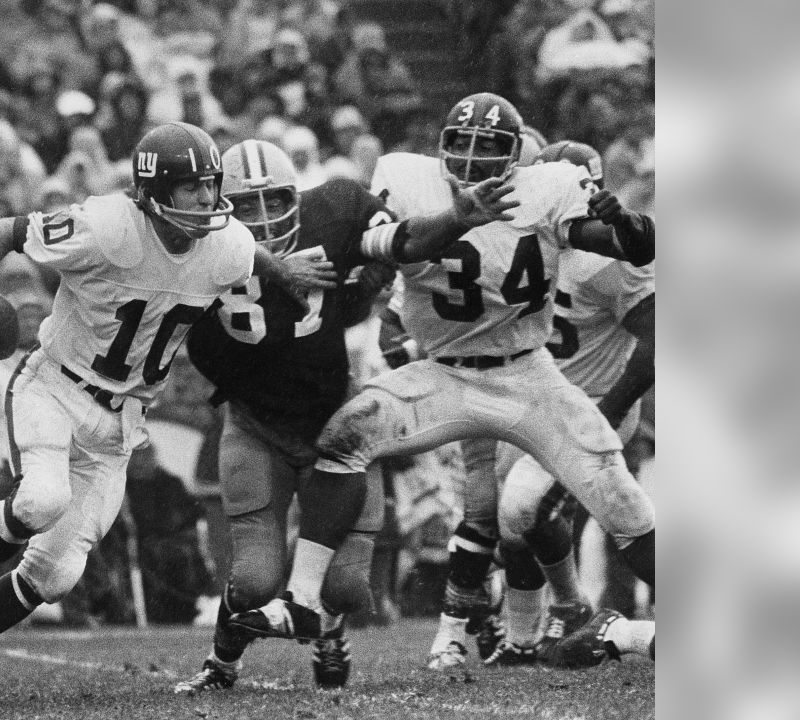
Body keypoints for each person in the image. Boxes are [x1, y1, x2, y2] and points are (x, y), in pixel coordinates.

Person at [0, 121, 339, 705]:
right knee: (42, 499)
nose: (206, 199)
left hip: (120, 423)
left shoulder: (226, 244)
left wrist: (285, 269)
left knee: (55, 576)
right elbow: (3, 231)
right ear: (152, 196)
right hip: (55, 387)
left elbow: (253, 254)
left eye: (210, 184)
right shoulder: (105, 227)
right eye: (191, 187)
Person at [223, 93, 657, 662]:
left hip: (528, 375)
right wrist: (435, 233)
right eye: (461, 144)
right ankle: (303, 599)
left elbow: (626, 244)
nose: (473, 160)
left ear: (516, 156)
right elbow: (385, 249)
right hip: (444, 372)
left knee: (619, 496)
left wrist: (622, 221)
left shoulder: (547, 184)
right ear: (441, 145)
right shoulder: (404, 176)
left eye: (490, 149)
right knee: (346, 437)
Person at [173, 139, 398, 693]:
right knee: (253, 582)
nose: (263, 218)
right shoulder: (198, 261)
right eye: (245, 207)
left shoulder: (336, 208)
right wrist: (272, 277)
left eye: (273, 201)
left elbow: (394, 245)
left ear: (298, 198)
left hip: (333, 419)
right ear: (219, 209)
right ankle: (222, 659)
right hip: (257, 424)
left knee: (348, 590)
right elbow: (239, 350)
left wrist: (373, 281)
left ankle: (327, 629)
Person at [484, 140, 655, 666]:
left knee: (524, 505)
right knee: (513, 525)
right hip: (538, 400)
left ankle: (573, 610)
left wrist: (607, 411)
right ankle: (530, 632)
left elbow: (658, 336)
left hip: (594, 402)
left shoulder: (607, 261)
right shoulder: (524, 241)